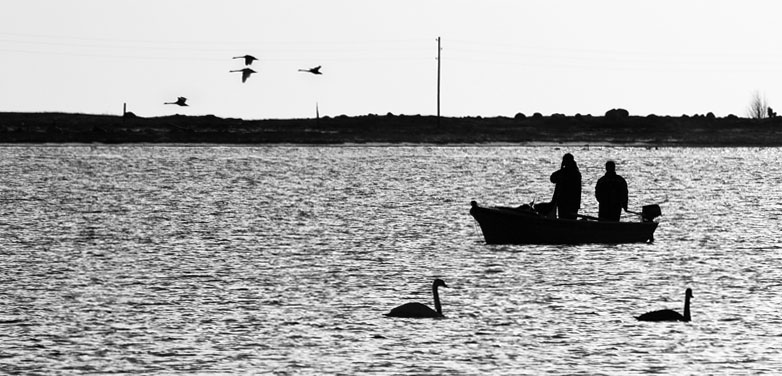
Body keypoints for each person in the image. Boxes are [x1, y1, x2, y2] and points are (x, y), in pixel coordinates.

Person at [550, 153, 582, 219]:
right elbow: (552, 178)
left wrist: (562, 168)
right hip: (566, 203)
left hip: (569, 203)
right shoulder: (571, 172)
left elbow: (554, 178)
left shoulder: (572, 173)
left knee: (567, 220)